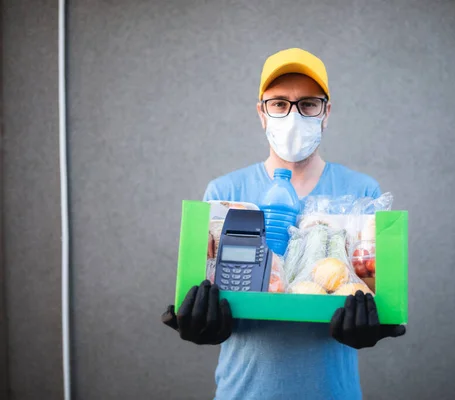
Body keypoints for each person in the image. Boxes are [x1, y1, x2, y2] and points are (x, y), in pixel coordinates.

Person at [162, 48, 406, 400]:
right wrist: (203, 322)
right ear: (262, 113)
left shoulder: (362, 193)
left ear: (326, 113)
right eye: (279, 104)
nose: (293, 115)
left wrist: (377, 318)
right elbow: (209, 282)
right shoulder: (225, 194)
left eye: (308, 104)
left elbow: (375, 285)